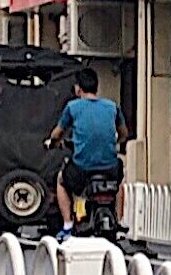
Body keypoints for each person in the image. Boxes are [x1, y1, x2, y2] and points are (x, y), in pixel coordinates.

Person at [46, 67, 126, 234]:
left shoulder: (72, 107)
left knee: (61, 180)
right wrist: (114, 142)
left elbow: (57, 133)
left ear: (78, 89)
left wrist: (53, 143)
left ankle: (67, 224)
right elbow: (123, 133)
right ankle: (119, 220)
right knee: (119, 182)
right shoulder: (112, 107)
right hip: (110, 169)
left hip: (83, 169)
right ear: (96, 87)